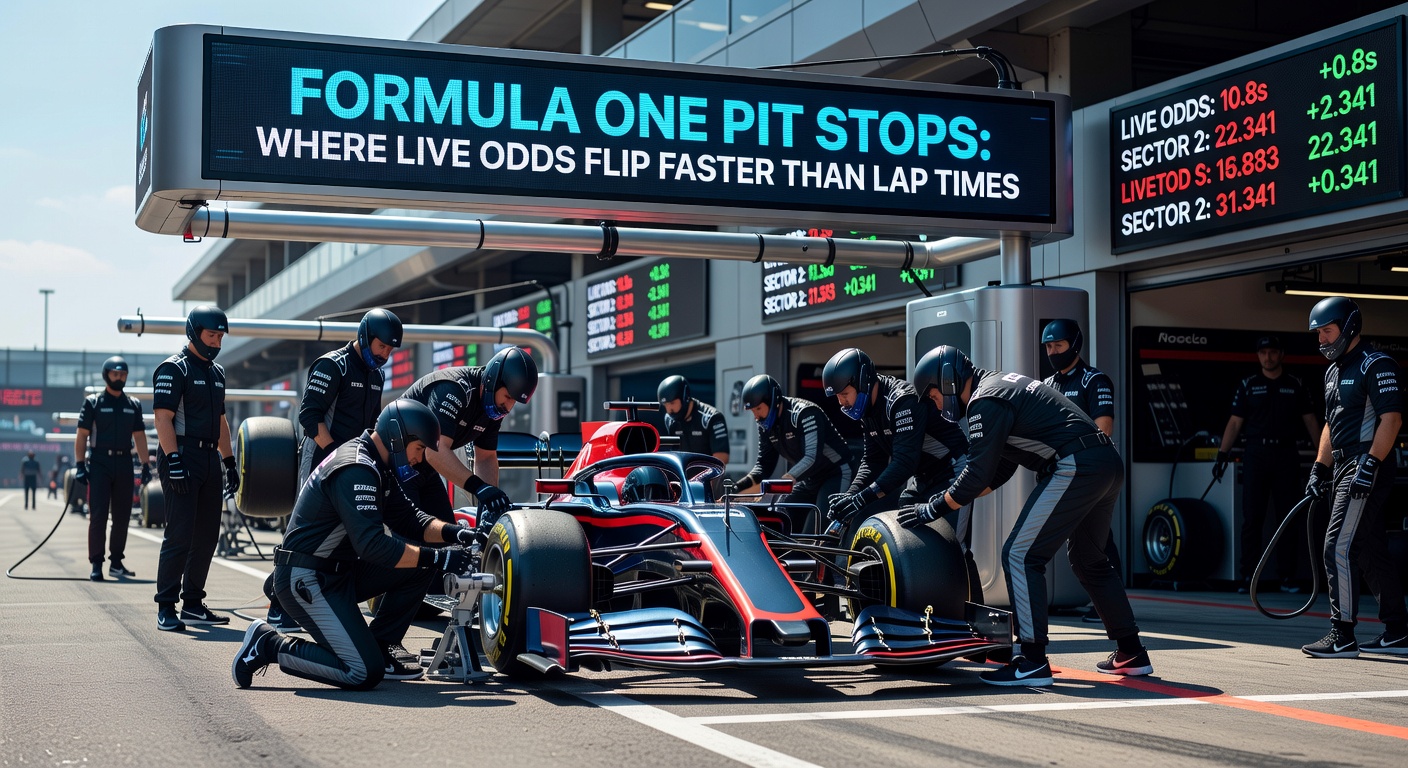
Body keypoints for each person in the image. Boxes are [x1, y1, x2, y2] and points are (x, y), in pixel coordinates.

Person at [906, 346, 1151, 686]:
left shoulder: (983, 400)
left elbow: (976, 474)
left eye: (933, 396)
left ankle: (1032, 659)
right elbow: (998, 472)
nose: (936, 405)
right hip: (1105, 461)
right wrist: (950, 498)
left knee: (1019, 555)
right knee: (1088, 559)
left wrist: (932, 508)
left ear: (947, 382)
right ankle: (1131, 651)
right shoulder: (998, 386)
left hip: (1076, 463)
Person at [231, 400, 478, 690]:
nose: (419, 458)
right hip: (306, 577)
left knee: (421, 566)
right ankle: (269, 644)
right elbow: (372, 546)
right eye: (419, 449)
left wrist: (456, 534)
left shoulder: (377, 463)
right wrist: (439, 560)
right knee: (362, 672)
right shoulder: (356, 468)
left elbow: (410, 519)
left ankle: (380, 646)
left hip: (338, 573)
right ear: (399, 437)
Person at [266, 308, 403, 632]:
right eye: (381, 346)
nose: (385, 354)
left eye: (389, 349)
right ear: (365, 336)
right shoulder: (332, 365)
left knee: (342, 536)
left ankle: (288, 591)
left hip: (353, 466)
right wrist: (333, 454)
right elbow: (309, 417)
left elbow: (373, 426)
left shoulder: (377, 376)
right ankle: (279, 607)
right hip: (320, 460)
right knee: (304, 535)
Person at [1301, 297, 1407, 658]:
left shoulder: (1376, 364)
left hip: (1367, 463)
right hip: (1344, 465)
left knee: (1338, 546)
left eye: (1327, 332)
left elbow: (1391, 419)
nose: (1322, 341)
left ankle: (1342, 634)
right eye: (1318, 334)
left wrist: (1371, 464)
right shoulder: (1332, 371)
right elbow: (1331, 424)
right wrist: (1319, 466)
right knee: (1369, 550)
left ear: (1348, 328)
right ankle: (1398, 631)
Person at [151, 306, 240, 632]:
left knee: (206, 535)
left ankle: (192, 604)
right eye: (211, 335)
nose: (216, 342)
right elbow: (163, 418)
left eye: (220, 336)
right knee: (180, 533)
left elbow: (221, 421)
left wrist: (229, 461)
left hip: (207, 458)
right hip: (181, 455)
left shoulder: (218, 374)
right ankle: (166, 606)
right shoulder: (173, 370)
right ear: (194, 333)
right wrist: (173, 459)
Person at [1213, 335, 1320, 594]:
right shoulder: (1249, 385)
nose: (1268, 357)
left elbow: (1311, 422)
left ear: (1281, 354)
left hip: (1286, 454)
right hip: (1256, 454)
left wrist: (1322, 458)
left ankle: (1287, 577)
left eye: (1273, 352)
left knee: (1288, 517)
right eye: (1263, 353)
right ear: (1258, 355)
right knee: (1252, 519)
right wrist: (1222, 454)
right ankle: (1248, 576)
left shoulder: (1295, 384)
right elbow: (1235, 422)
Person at [820, 348, 968, 531]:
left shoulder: (903, 400)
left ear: (862, 382)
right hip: (922, 478)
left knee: (952, 548)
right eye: (837, 397)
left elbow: (905, 461)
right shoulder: (867, 409)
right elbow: (873, 460)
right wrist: (850, 497)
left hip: (952, 472)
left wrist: (862, 499)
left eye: (843, 394)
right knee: (908, 542)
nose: (841, 403)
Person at [399, 347, 538, 529]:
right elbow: (436, 451)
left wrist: (490, 503)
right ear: (493, 380)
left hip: (424, 469)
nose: (509, 407)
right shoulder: (455, 389)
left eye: (514, 402)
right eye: (507, 397)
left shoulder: (494, 410)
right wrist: (478, 487)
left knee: (446, 538)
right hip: (398, 464)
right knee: (412, 539)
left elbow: (486, 457)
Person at [1041, 319, 1121, 621]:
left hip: (1092, 471)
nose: (1052, 352)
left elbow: (1105, 427)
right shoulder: (1047, 386)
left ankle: (1109, 600)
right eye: (1048, 346)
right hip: (1062, 471)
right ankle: (1105, 600)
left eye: (1058, 345)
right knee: (1088, 538)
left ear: (1074, 345)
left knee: (1097, 539)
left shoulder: (1093, 380)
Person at [735, 374, 853, 530]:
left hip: (837, 473)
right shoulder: (763, 424)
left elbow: (811, 458)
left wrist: (784, 481)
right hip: (808, 479)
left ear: (773, 400)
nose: (756, 416)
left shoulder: (805, 413)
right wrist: (736, 489)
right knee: (781, 516)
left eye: (758, 408)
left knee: (818, 528)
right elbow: (763, 466)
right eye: (752, 411)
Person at [75, 356, 152, 581]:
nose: (119, 378)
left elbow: (139, 436)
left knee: (122, 516)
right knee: (98, 515)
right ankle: (96, 564)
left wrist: (146, 464)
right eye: (115, 374)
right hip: (99, 463)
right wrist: (80, 465)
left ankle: (116, 562)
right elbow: (81, 436)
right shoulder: (93, 403)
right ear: (106, 375)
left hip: (124, 464)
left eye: (123, 374)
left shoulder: (133, 405)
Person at [657, 375, 730, 466]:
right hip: (682, 476)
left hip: (708, 476)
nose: (669, 410)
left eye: (672, 403)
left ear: (685, 397)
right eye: (665, 405)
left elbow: (722, 457)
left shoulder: (711, 417)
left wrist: (702, 478)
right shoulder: (669, 420)